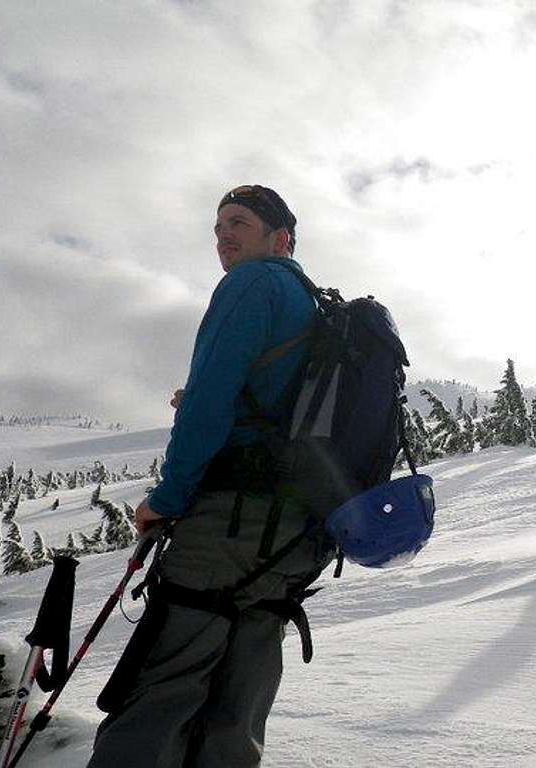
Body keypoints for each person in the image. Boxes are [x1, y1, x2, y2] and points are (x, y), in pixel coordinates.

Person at [88, 185, 327, 768]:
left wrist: (167, 496)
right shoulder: (311, 305)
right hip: (292, 533)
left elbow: (211, 402)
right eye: (218, 225)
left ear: (281, 239)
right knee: (236, 703)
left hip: (228, 521)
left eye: (238, 222)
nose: (223, 234)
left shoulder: (251, 283)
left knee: (162, 688)